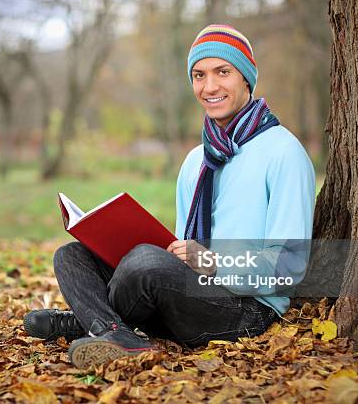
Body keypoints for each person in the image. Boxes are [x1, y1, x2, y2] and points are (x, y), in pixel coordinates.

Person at [24, 24, 316, 369]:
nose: (209, 86)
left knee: (145, 262)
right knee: (72, 256)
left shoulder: (283, 152)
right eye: (198, 75)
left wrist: (213, 262)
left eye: (223, 72)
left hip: (247, 310)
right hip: (189, 294)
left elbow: (290, 266)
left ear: (246, 79)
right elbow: (180, 252)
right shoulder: (196, 160)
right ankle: (116, 333)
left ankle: (89, 323)